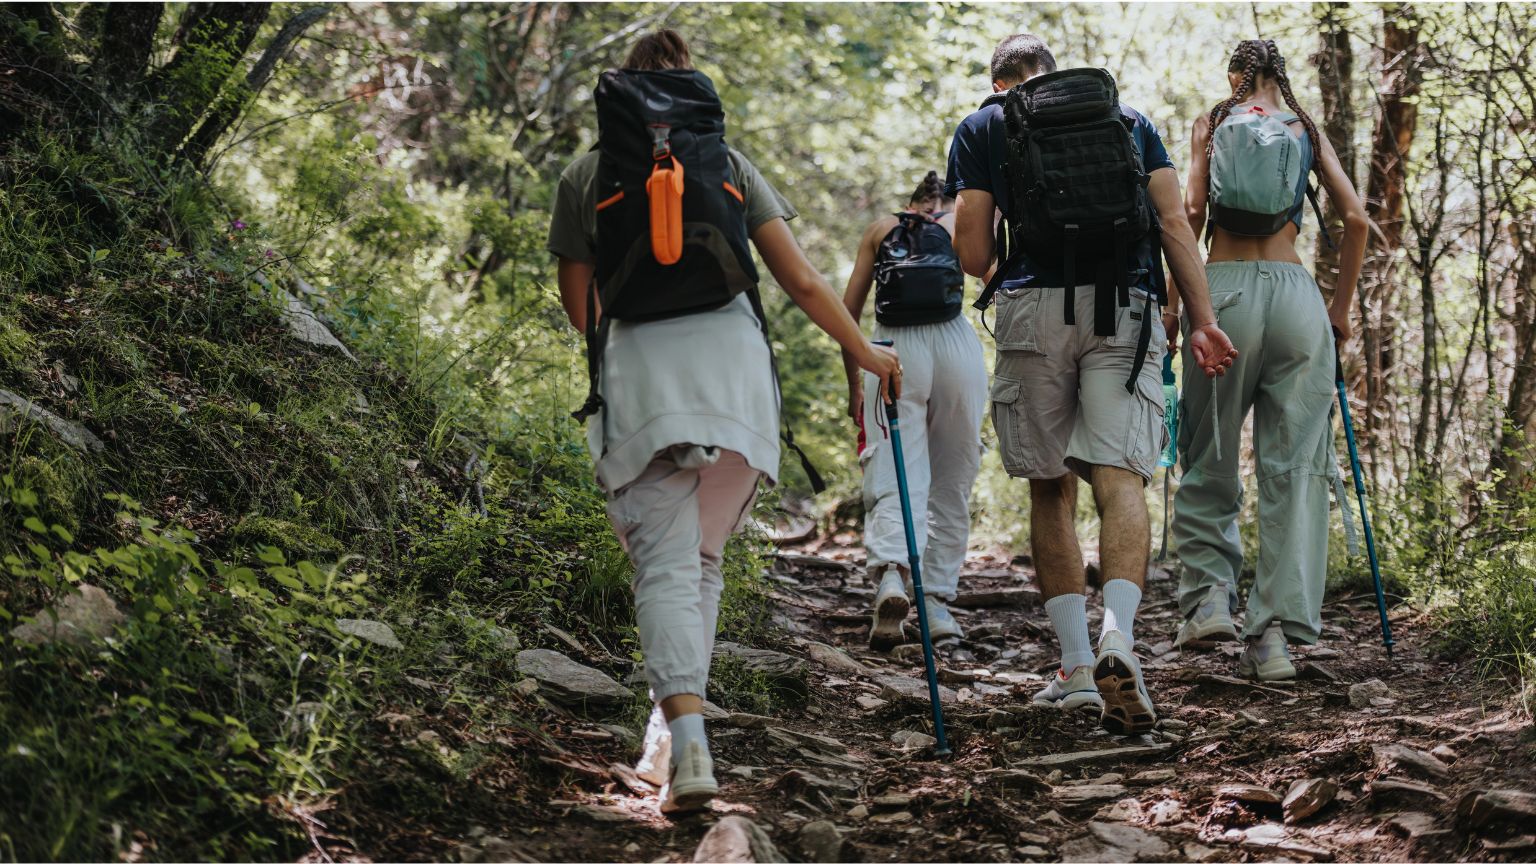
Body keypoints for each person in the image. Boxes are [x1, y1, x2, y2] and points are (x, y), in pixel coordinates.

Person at [548, 30, 899, 814]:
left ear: (623, 95)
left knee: (664, 567)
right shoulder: (729, 166)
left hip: (642, 384)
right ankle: (676, 737)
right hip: (737, 382)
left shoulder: (586, 174)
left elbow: (583, 312)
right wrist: (868, 355)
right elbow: (804, 283)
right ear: (692, 91)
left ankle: (690, 745)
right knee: (700, 563)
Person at [946, 34, 1237, 735]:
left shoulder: (984, 126)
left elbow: (973, 251)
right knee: (1121, 477)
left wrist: (1019, 274)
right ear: (1056, 74)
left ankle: (1076, 670)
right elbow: (1173, 223)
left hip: (1034, 310)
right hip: (1127, 310)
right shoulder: (1128, 121)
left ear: (1001, 81)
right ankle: (1120, 640)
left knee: (1051, 485)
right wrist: (1199, 320)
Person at [1167, 39, 1368, 680]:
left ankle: (1208, 602)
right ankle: (1273, 635)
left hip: (1221, 293)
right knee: (1293, 467)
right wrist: (1337, 311)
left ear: (1234, 75)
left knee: (1209, 449)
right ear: (1280, 78)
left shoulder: (1214, 123)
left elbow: (1192, 212)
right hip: (1296, 299)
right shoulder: (1304, 129)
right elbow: (1356, 219)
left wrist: (1178, 311)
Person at [841, 171, 988, 650]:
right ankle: (938, 605)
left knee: (893, 466)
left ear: (911, 204)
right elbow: (995, 275)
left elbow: (847, 312)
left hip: (891, 348)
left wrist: (855, 386)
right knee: (952, 477)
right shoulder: (961, 224)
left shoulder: (881, 229)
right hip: (955, 348)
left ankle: (890, 577)